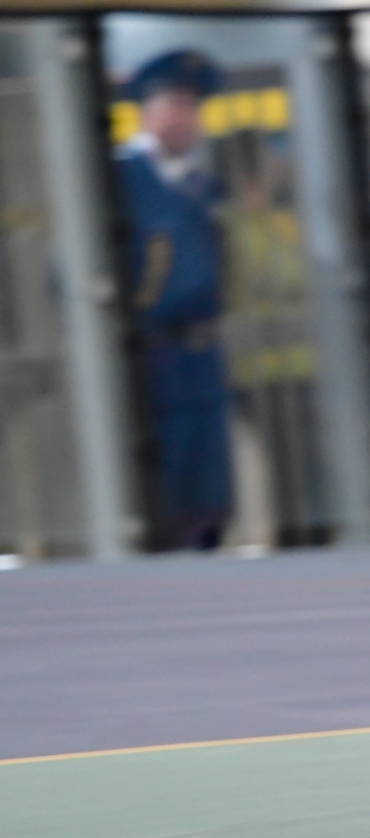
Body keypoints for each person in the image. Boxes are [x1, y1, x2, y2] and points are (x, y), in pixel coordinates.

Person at [114, 49, 233, 550]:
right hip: (150, 360)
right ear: (148, 109)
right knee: (162, 496)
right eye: (176, 104)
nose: (187, 118)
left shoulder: (199, 182)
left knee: (207, 498)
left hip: (201, 360)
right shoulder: (120, 177)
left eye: (193, 106)